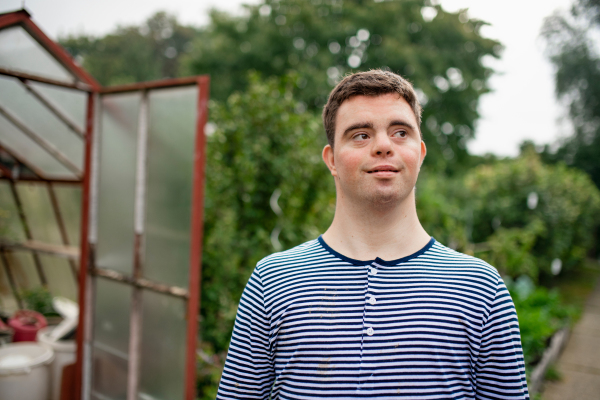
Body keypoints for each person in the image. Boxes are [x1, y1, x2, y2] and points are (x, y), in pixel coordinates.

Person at [216, 70, 529, 400]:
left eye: (399, 132)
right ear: (332, 159)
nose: (382, 146)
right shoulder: (272, 281)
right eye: (360, 135)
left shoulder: (481, 288)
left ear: (420, 154)